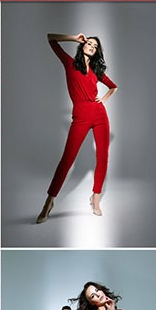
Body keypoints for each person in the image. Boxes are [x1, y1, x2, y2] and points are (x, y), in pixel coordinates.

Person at [37, 34, 117, 223]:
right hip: (80, 117)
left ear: (97, 51)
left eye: (94, 45)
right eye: (88, 43)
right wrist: (74, 38)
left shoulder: (97, 71)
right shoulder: (70, 63)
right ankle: (49, 202)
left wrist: (103, 99)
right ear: (82, 46)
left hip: (99, 116)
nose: (91, 46)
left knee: (102, 158)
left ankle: (95, 199)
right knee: (67, 160)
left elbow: (113, 87)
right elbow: (50, 39)